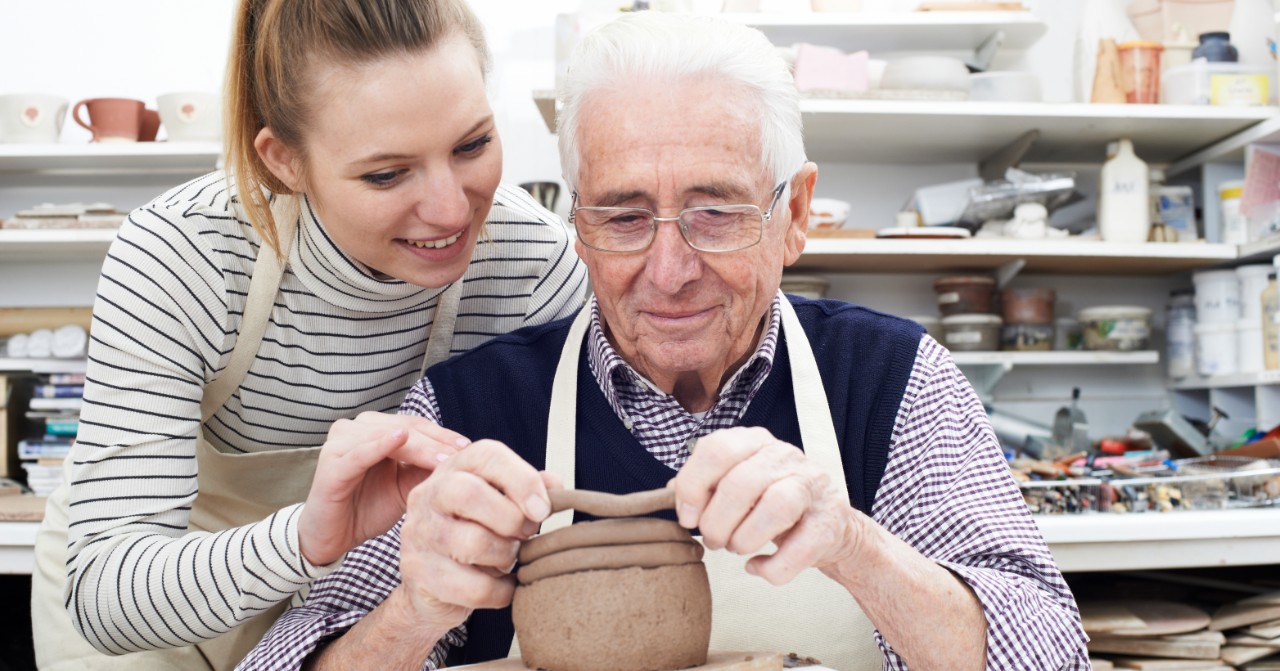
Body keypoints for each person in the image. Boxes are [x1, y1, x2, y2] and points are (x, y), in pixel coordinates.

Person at [242, 11, 1089, 671]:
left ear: (793, 215)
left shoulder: (894, 381)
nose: (670, 268)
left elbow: (1051, 653)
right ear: (576, 225)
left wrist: (854, 545)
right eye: (623, 215)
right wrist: (415, 609)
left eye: (715, 210)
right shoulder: (470, 409)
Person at [30, 1, 588, 669]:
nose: (449, 208)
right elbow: (106, 595)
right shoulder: (182, 255)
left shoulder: (534, 263)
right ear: (285, 160)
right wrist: (303, 538)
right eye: (386, 173)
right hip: (158, 619)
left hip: (360, 615)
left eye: (471, 144)